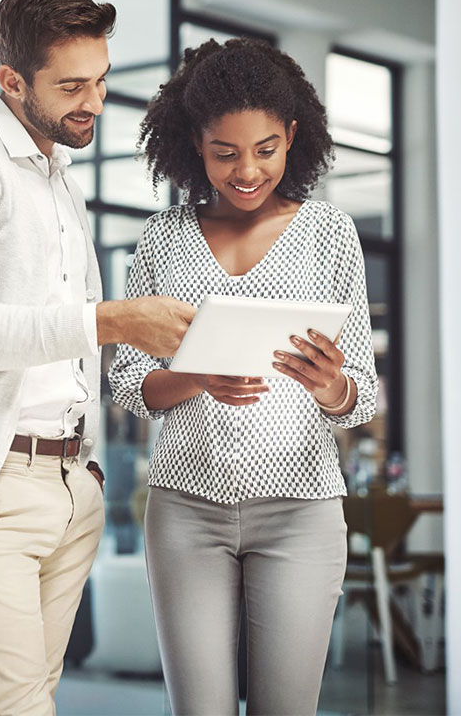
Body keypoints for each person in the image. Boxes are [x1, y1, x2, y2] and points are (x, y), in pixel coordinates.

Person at [0, 0, 195, 716]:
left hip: (69, 484)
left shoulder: (58, 179)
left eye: (101, 80)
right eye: (71, 85)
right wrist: (112, 320)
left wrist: (88, 472)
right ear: (11, 81)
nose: (93, 101)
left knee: (29, 700)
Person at [108, 37, 379, 716]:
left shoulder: (329, 233)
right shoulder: (164, 238)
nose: (247, 170)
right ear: (194, 144)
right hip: (185, 512)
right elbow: (128, 382)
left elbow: (361, 396)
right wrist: (195, 375)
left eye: (264, 149)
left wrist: (329, 386)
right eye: (225, 153)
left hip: (301, 513)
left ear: (292, 136)